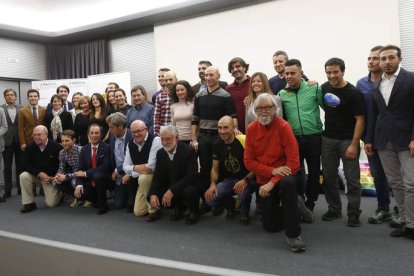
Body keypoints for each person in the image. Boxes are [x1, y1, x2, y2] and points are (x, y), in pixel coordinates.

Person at [244, 93, 305, 252]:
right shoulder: (251, 129)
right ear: (255, 111)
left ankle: (293, 235)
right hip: (265, 178)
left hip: (284, 176)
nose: (264, 111)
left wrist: (272, 181)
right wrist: (271, 171)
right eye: (260, 108)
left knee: (288, 183)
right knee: (271, 226)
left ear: (275, 109)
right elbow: (248, 161)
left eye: (268, 107)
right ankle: (295, 206)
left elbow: (294, 162)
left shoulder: (284, 127)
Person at [365, 45, 414, 239]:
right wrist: (368, 139)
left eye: (391, 58)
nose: (386, 62)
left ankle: (412, 224)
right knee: (395, 183)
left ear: (399, 59)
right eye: (383, 59)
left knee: (411, 183)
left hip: (406, 140)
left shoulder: (410, 79)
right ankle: (404, 220)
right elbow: (374, 115)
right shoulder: (376, 85)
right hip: (383, 140)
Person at [321, 57, 365, 227]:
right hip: (328, 140)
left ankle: (353, 213)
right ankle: (334, 209)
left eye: (335, 72)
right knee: (329, 177)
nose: (332, 76)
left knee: (352, 180)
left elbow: (360, 119)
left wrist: (354, 144)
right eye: (329, 72)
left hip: (348, 141)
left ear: (343, 71)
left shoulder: (353, 93)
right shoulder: (324, 88)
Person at [279, 59, 323, 215]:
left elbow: (329, 108)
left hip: (314, 138)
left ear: (301, 74)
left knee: (314, 172)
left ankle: (311, 203)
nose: (289, 76)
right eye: (286, 73)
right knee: (295, 172)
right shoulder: (282, 94)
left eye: (293, 73)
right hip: (293, 140)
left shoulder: (314, 88)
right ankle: (299, 200)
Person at [356, 46, 392, 224]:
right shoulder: (361, 83)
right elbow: (361, 113)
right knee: (377, 174)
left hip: (392, 137)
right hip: (369, 137)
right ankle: (383, 208)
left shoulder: (390, 83)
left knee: (398, 177)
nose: (371, 62)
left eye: (375, 58)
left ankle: (402, 210)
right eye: (369, 58)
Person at [191, 66, 237, 197]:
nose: (208, 78)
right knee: (205, 168)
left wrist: (233, 133)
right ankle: (207, 200)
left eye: (211, 75)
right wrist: (194, 138)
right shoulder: (199, 95)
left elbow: (232, 117)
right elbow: (195, 118)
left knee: (222, 167)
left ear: (218, 76)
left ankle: (222, 199)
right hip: (204, 137)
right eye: (206, 75)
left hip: (219, 137)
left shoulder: (225, 95)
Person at [204, 116, 255, 224]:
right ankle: (232, 203)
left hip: (248, 178)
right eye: (219, 128)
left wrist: (246, 180)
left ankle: (244, 212)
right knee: (210, 199)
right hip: (230, 179)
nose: (222, 131)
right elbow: (214, 168)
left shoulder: (243, 140)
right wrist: (212, 184)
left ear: (233, 128)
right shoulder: (217, 144)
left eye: (226, 127)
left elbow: (257, 164)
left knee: (243, 192)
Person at [148, 125, 200, 224]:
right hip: (171, 185)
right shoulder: (160, 153)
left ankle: (194, 211)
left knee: (190, 191)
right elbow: (157, 176)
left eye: (167, 139)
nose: (164, 143)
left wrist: (172, 190)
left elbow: (192, 176)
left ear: (177, 138)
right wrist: (153, 194)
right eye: (162, 139)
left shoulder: (188, 151)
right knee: (150, 195)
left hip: (186, 185)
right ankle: (179, 207)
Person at [19, 126, 63, 213]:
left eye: (39, 135)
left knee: (51, 204)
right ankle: (29, 203)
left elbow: (61, 166)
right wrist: (39, 173)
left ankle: (61, 194)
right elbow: (24, 165)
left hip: (51, 179)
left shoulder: (57, 147)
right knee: (23, 176)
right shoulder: (30, 147)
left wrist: (52, 177)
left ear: (46, 135)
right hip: (38, 177)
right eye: (34, 135)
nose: (36, 137)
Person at [123, 120, 162, 217]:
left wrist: (131, 172)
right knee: (138, 212)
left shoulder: (156, 140)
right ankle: (154, 202)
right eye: (133, 132)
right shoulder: (130, 144)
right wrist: (136, 168)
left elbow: (151, 168)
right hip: (143, 179)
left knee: (143, 178)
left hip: (157, 176)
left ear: (146, 129)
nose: (136, 134)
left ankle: (153, 211)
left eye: (139, 131)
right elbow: (125, 166)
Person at [74, 124, 112, 215]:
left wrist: (86, 173)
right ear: (88, 135)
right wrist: (78, 185)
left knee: (98, 176)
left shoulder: (107, 147)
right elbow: (80, 169)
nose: (94, 135)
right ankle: (96, 198)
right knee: (80, 195)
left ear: (101, 135)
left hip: (104, 178)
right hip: (90, 180)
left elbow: (105, 167)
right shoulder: (84, 149)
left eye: (97, 133)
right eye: (92, 133)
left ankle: (103, 205)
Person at [106, 113, 134, 211]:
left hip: (131, 173)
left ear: (121, 126)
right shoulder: (112, 134)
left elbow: (134, 161)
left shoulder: (133, 136)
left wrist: (118, 170)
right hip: (118, 175)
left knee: (132, 206)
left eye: (112, 127)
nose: (109, 130)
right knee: (118, 205)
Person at [1, 88, 22, 199]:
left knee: (20, 166)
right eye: (7, 95)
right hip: (6, 141)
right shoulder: (1, 109)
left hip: (19, 141)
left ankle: (20, 189)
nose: (10, 96)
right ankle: (7, 191)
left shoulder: (21, 108)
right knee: (7, 167)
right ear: (5, 97)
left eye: (12, 94)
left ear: (16, 97)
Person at [53, 130, 82, 207]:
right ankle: (76, 197)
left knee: (74, 182)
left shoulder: (80, 150)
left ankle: (85, 198)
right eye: (62, 141)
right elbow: (61, 168)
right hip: (73, 175)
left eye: (67, 140)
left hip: (83, 175)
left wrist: (66, 176)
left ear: (74, 140)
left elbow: (82, 170)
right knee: (55, 183)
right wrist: (57, 176)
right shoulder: (62, 152)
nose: (64, 143)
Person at [226, 57, 250, 133]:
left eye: (237, 66)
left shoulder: (254, 83)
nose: (235, 69)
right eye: (232, 68)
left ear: (245, 68)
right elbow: (228, 110)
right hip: (235, 130)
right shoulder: (228, 89)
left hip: (254, 127)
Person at [154, 71, 177, 135]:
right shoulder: (160, 97)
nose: (168, 82)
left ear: (176, 80)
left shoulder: (181, 94)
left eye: (170, 79)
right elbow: (157, 117)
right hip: (165, 133)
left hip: (180, 132)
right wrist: (156, 133)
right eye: (166, 80)